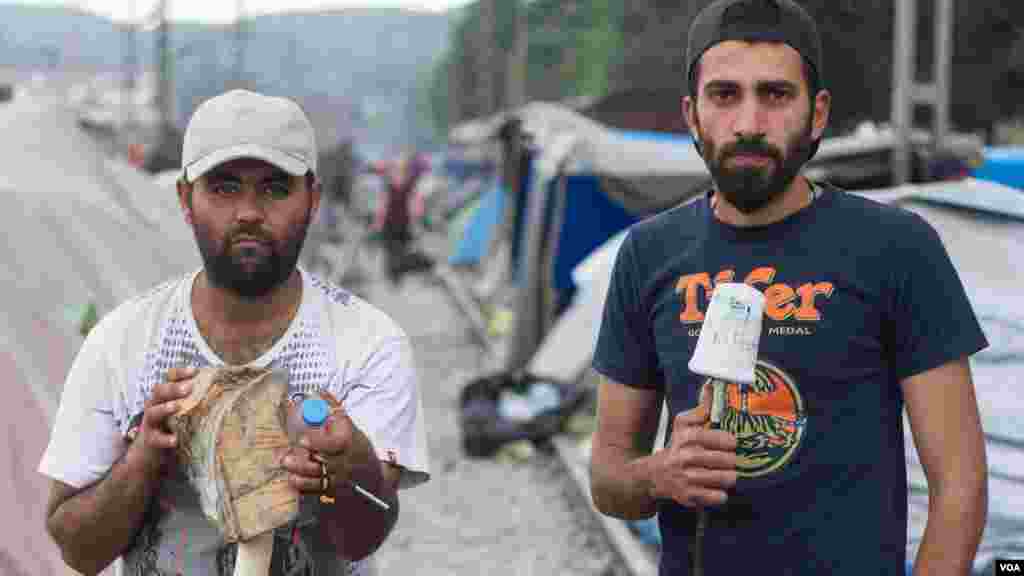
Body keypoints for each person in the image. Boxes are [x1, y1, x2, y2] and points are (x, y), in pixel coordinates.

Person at [588, 1, 989, 574]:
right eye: (725, 95)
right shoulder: (647, 254)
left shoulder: (897, 249)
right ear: (692, 114)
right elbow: (608, 478)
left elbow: (960, 485)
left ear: (817, 113)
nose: (749, 122)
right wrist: (659, 472)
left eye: (775, 95)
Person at [39, 89, 429, 576]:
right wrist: (145, 456)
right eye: (223, 187)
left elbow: (362, 537)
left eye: (275, 188)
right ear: (185, 198)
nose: (248, 211)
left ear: (313, 199)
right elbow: (78, 551)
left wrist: (345, 466)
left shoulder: (367, 343)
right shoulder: (124, 343)